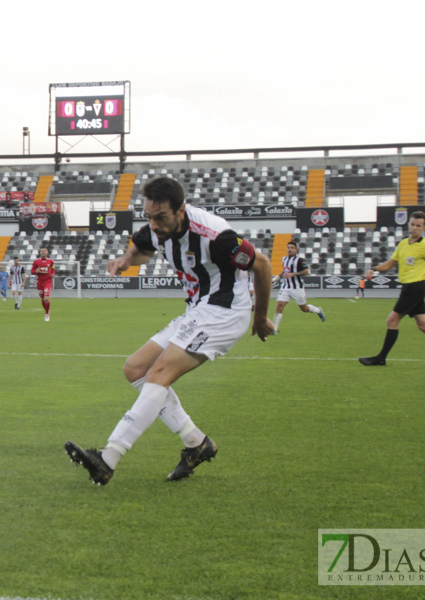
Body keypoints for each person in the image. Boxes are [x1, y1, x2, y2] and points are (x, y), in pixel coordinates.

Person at [65, 176, 274, 486]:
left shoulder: (216, 236)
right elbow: (141, 248)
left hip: (225, 311)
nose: (154, 224)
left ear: (181, 210)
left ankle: (108, 457)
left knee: (158, 374)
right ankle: (196, 442)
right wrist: (125, 260)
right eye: (149, 216)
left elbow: (263, 265)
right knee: (135, 368)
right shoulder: (155, 229)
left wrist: (260, 317)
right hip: (198, 309)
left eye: (160, 217)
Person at [359, 211, 425, 367]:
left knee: (392, 320)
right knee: (424, 324)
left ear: (424, 228)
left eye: (418, 226)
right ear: (408, 224)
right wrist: (374, 269)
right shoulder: (403, 243)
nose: (415, 228)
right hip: (409, 287)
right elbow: (390, 264)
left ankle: (381, 358)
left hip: (415, 287)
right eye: (412, 224)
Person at [271, 241, 324, 333]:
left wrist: (294, 274)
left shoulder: (299, 260)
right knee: (280, 305)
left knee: (304, 309)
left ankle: (318, 310)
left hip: (297, 288)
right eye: (288, 247)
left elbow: (307, 272)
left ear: (296, 250)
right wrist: (275, 279)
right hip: (285, 287)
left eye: (292, 248)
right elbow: (285, 270)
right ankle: (274, 329)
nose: (290, 249)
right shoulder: (284, 259)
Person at [31, 247, 54, 322]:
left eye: (44, 251)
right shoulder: (36, 261)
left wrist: (53, 273)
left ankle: (47, 314)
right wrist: (36, 271)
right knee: (42, 299)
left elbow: (53, 268)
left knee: (46, 298)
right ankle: (47, 309)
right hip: (40, 282)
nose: (43, 252)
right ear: (40, 253)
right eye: (42, 251)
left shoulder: (50, 261)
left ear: (47, 252)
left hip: (48, 281)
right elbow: (32, 271)